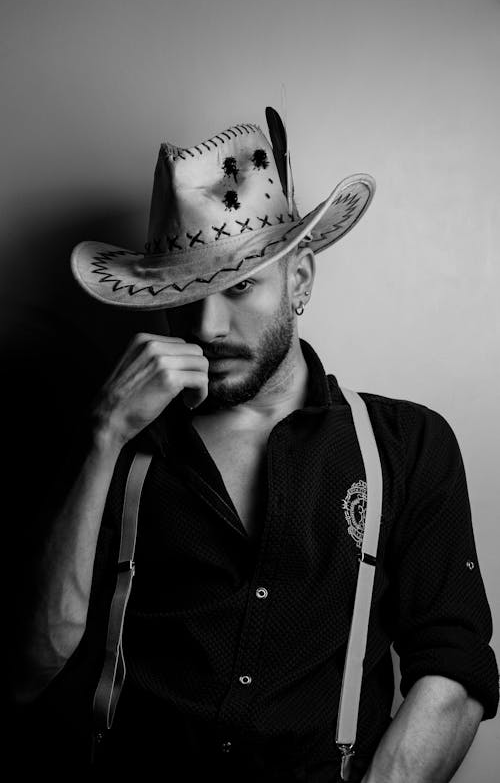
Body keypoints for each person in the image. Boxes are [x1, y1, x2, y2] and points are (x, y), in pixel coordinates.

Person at [14, 108, 498, 782]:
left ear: (299, 280)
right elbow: (28, 666)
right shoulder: (116, 441)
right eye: (186, 294)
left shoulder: (408, 446)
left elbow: (454, 662)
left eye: (238, 286)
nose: (207, 325)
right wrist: (103, 436)